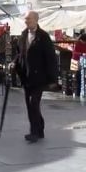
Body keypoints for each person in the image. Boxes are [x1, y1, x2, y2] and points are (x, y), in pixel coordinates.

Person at [14, 10, 58, 143]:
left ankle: (34, 132)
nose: (26, 21)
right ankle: (40, 129)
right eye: (26, 19)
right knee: (30, 105)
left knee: (34, 103)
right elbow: (19, 54)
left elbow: (51, 58)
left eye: (29, 19)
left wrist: (53, 79)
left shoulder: (43, 36)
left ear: (36, 20)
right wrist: (13, 64)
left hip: (39, 77)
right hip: (26, 76)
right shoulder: (22, 36)